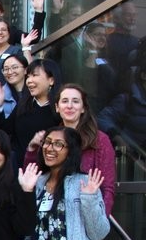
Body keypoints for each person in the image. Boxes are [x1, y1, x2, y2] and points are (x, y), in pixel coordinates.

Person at [24, 84, 115, 216]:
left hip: (85, 217)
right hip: (51, 215)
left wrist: (100, 221)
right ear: (57, 107)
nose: (69, 106)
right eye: (65, 101)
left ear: (83, 108)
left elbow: (107, 187)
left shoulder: (100, 140)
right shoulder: (50, 138)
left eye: (75, 101)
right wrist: (32, 149)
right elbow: (33, 177)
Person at [0, 59, 62, 168]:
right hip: (19, 169)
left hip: (48, 170)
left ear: (51, 80)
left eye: (35, 75)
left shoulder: (60, 109)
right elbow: (4, 130)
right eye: (28, 76)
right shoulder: (24, 105)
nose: (29, 81)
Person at [0, 18, 35, 82]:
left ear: (9, 34)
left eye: (4, 30)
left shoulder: (15, 51)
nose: (0, 32)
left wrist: (26, 47)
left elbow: (30, 70)